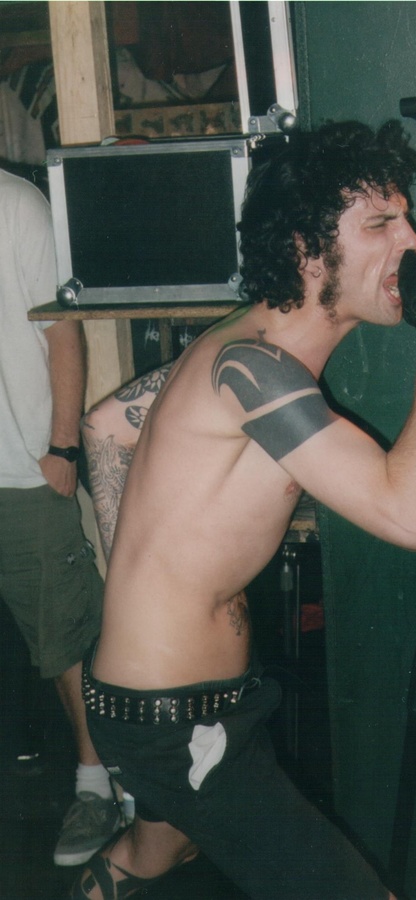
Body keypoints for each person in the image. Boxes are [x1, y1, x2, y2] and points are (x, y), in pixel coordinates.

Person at [73, 120, 416, 899]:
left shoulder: (243, 350)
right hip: (173, 721)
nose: (411, 241)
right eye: (379, 224)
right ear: (305, 249)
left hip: (171, 705)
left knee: (155, 854)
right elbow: (415, 519)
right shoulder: (252, 367)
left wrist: (138, 585)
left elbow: (106, 424)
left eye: (406, 219)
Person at [0, 165, 121, 867]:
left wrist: (62, 447)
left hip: (20, 471)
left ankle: (99, 785)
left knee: (63, 638)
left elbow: (61, 331)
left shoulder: (15, 204)